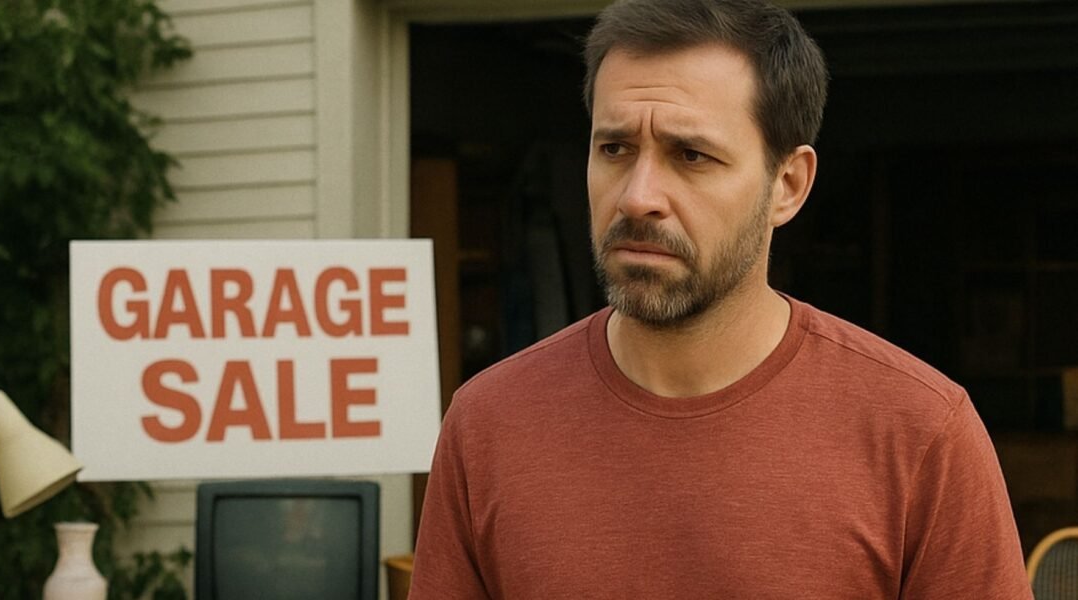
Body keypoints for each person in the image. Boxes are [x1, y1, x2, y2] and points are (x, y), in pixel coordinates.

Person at [408, 0, 1032, 598]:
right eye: (615, 148)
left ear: (787, 185)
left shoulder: (920, 433)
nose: (637, 196)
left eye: (691, 155)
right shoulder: (487, 424)